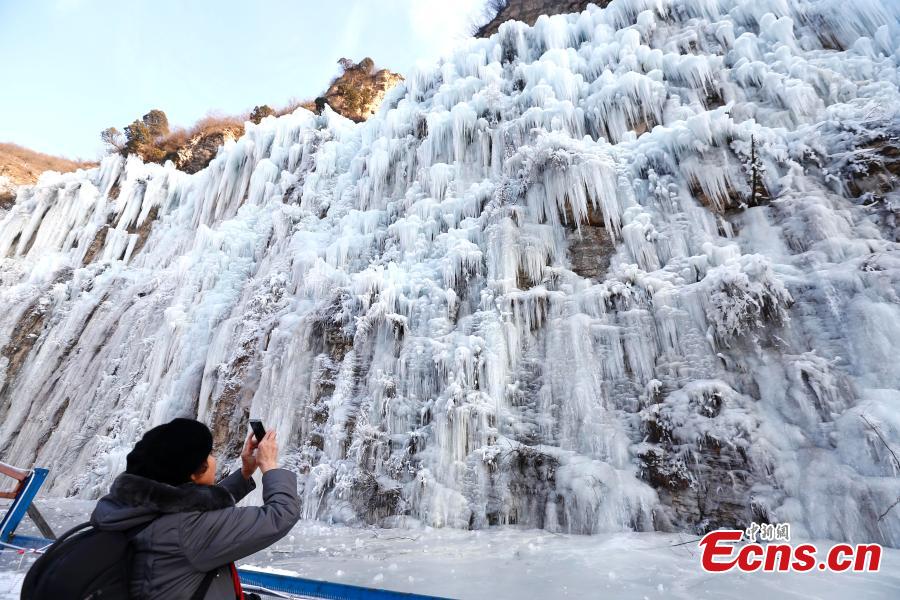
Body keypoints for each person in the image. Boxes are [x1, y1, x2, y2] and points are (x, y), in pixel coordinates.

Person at [90, 418, 300, 599]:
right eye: (209, 454)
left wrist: (245, 473)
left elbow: (188, 505)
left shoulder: (125, 508)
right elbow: (281, 515)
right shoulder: (187, 532)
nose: (213, 459)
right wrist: (270, 466)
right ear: (193, 473)